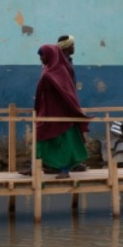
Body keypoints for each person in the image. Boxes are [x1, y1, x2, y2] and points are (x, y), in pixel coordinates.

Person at [32, 44, 90, 178]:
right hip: (48, 112)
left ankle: (64, 170)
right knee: (41, 138)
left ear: (51, 55)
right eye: (40, 56)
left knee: (64, 143)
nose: (41, 59)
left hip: (62, 114)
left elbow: (66, 93)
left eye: (43, 56)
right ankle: (36, 166)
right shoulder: (48, 70)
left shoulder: (60, 71)